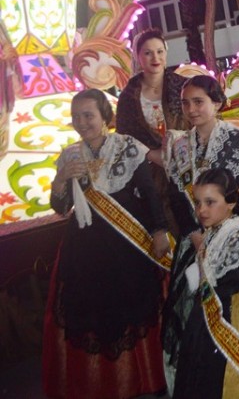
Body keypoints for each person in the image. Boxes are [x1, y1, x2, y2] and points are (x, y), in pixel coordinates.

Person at [43, 89, 169, 399]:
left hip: (126, 247)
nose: (82, 122)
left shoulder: (128, 147)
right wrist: (60, 179)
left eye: (88, 115)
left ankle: (141, 381)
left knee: (133, 312)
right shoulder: (70, 155)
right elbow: (62, 207)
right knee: (92, 318)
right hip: (84, 252)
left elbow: (149, 193)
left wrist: (159, 230)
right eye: (76, 117)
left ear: (105, 117)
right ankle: (100, 385)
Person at [161, 74, 239, 387]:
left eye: (199, 102)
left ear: (217, 103)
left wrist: (222, 231)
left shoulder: (238, 140)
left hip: (234, 233)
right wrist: (194, 233)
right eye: (185, 103)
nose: (191, 109)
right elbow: (176, 198)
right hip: (194, 237)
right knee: (189, 308)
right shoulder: (179, 146)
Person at [171, 168, 239, 398]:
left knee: (215, 380)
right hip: (207, 315)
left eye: (210, 202)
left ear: (230, 203)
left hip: (230, 318)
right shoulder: (214, 230)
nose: (201, 210)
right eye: (198, 203)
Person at [116, 29, 188, 232]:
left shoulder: (182, 86)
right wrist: (150, 154)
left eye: (159, 51)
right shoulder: (129, 96)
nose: (155, 58)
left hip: (186, 162)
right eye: (148, 53)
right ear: (138, 57)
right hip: (149, 171)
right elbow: (124, 137)